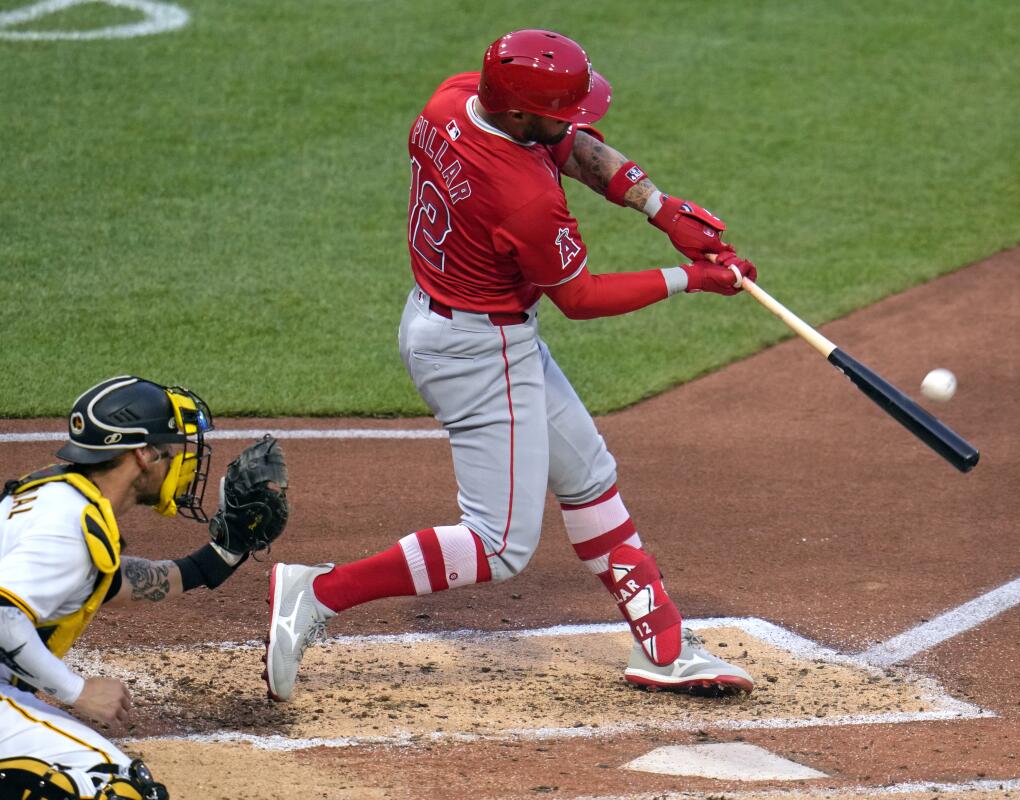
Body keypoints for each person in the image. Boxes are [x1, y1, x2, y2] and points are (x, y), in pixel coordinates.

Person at [264, 28, 757, 702]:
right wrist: (690, 279)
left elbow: (568, 145)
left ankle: (666, 645)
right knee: (498, 546)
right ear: (521, 113)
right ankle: (316, 592)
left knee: (586, 473)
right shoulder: (522, 196)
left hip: (455, 321)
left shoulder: (456, 97)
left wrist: (660, 207)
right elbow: (580, 299)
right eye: (563, 109)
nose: (578, 121)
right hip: (479, 350)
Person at [0, 376, 288, 800]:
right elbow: (4, 616)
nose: (181, 463)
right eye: (171, 451)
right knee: (115, 789)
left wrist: (217, 557)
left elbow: (110, 582)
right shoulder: (69, 527)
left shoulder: (54, 495)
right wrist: (78, 691)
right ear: (142, 455)